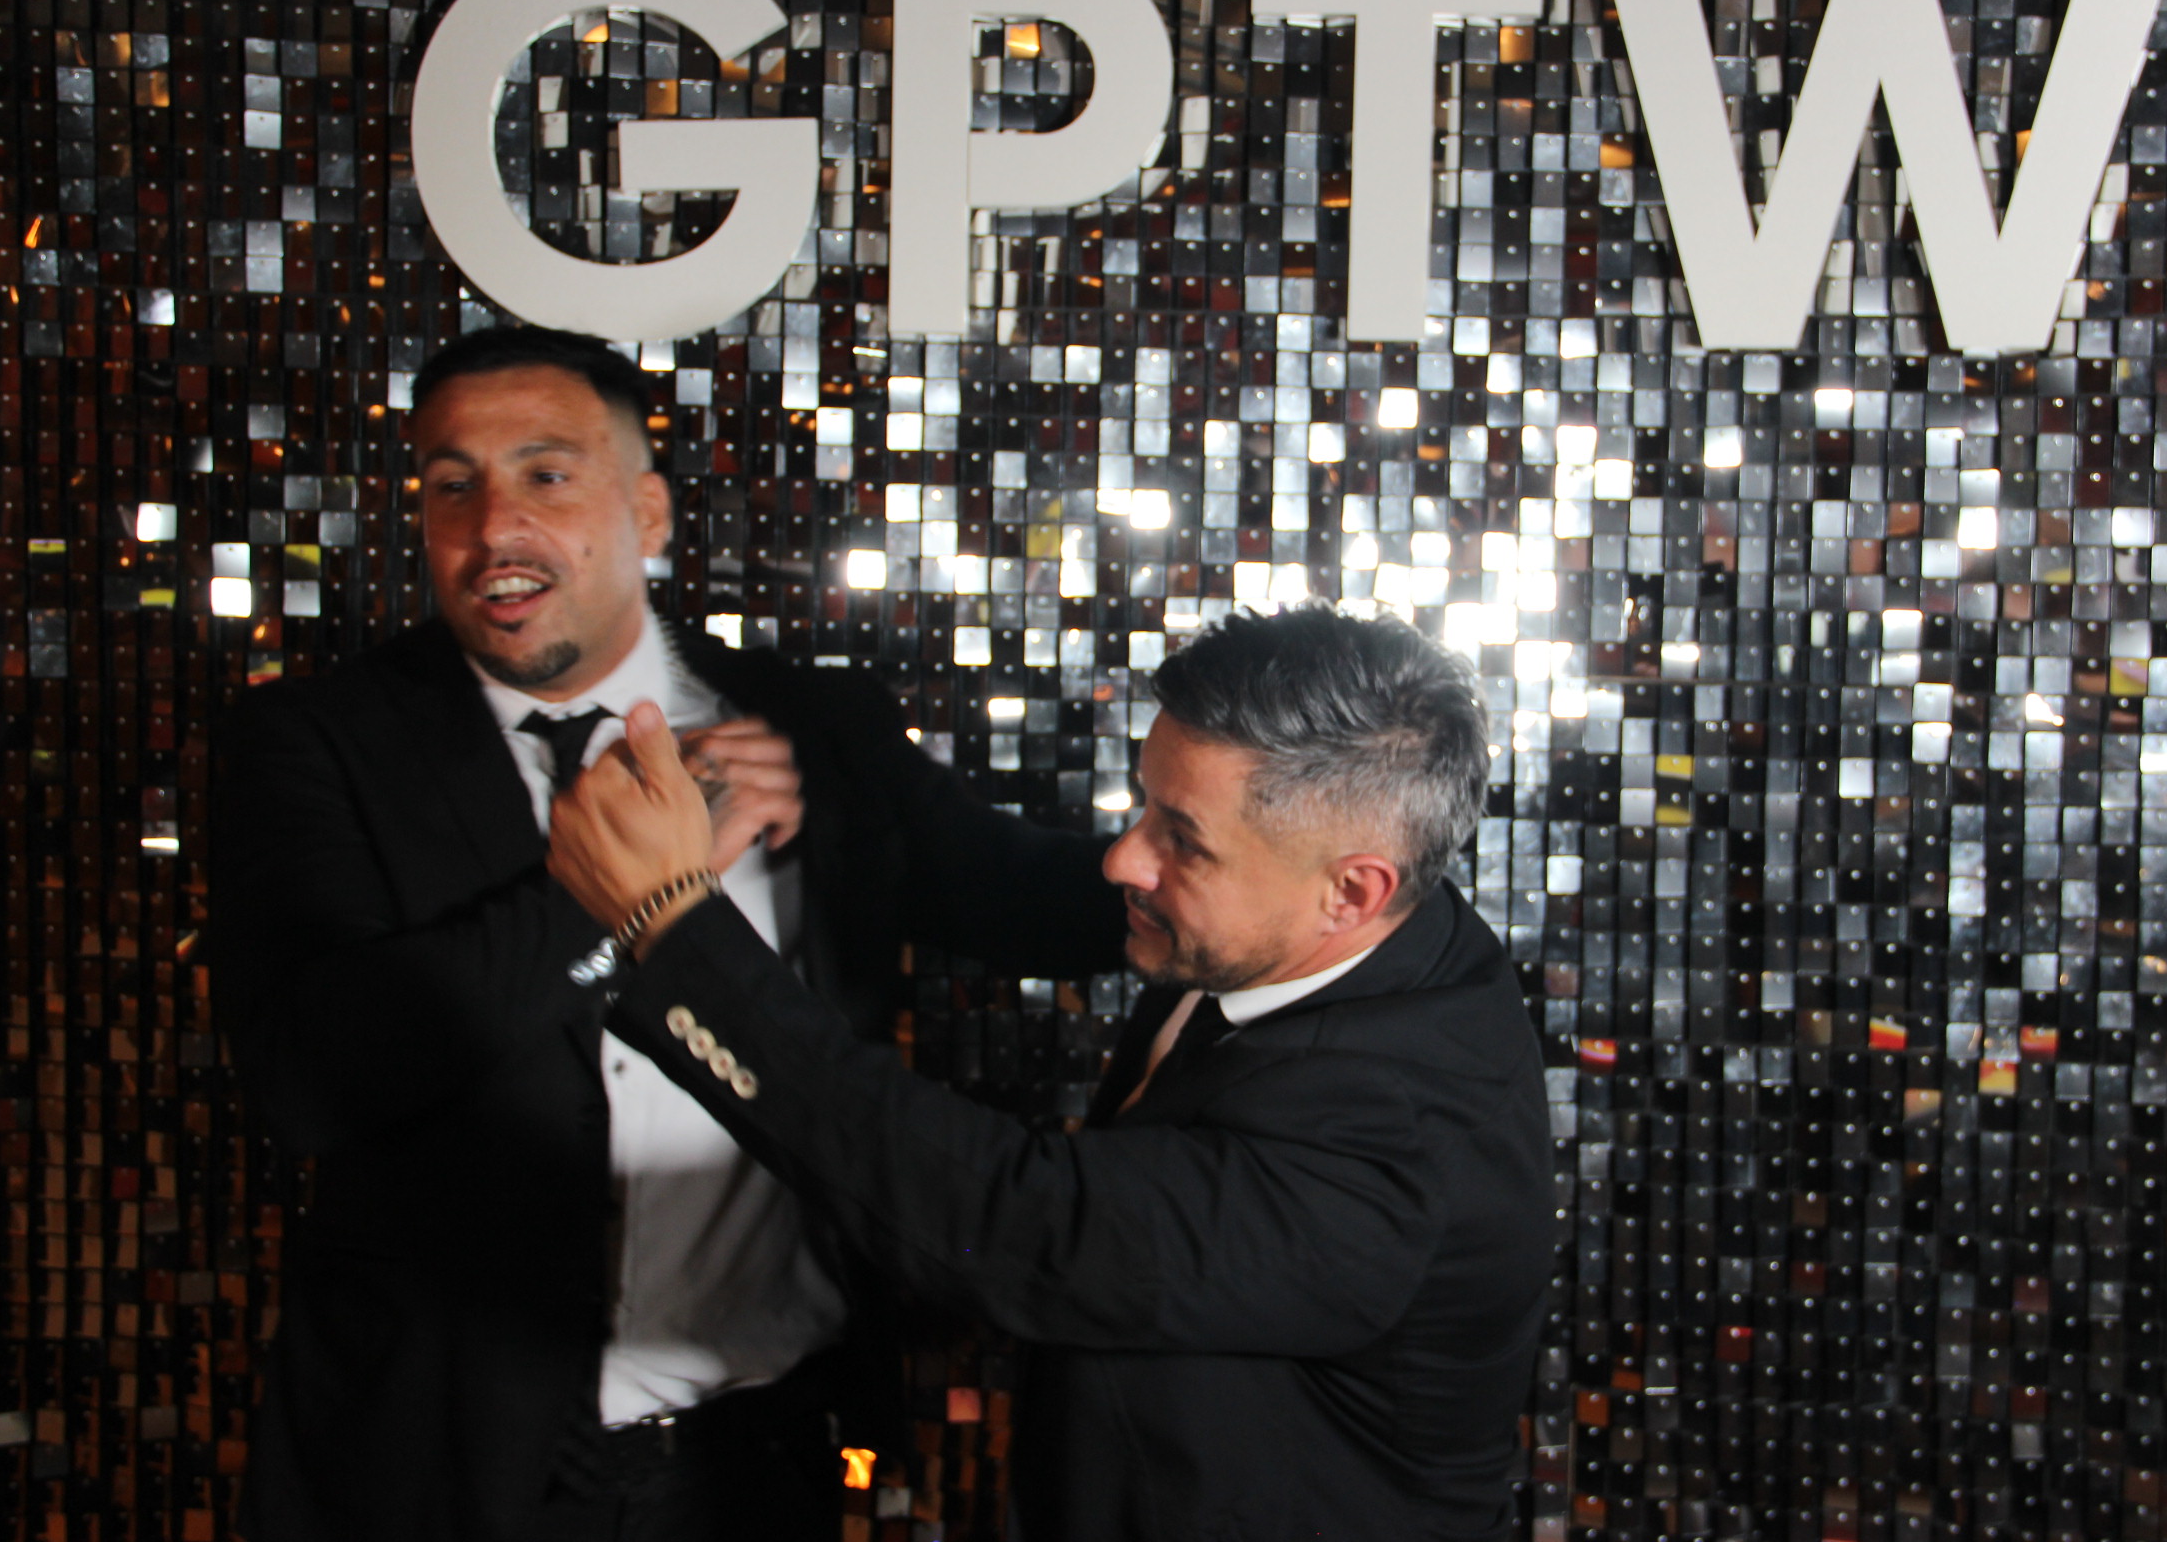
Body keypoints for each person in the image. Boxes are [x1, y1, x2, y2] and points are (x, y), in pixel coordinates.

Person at [209, 325, 1121, 1542]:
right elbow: (312, 1081)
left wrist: (1285, 856)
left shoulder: (809, 724)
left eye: (546, 475)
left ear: (646, 513)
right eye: (450, 485)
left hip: (762, 1450)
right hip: (450, 1466)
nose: (494, 526)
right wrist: (623, 883)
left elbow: (1028, 900)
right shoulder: (316, 743)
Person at [548, 603, 1557, 1541]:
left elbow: (1007, 1220)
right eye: (1148, 807)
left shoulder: (1387, 1147)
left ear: (1352, 891)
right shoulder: (1351, 922)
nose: (1125, 859)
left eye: (1182, 841)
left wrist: (670, 928)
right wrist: (821, 776)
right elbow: (1003, 880)